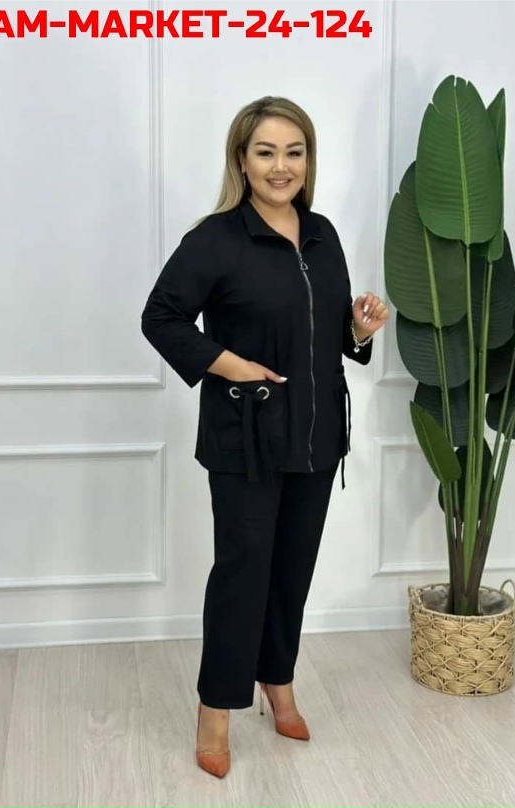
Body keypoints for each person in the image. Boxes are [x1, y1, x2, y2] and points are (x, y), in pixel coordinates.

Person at [140, 95, 389, 778]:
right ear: (242, 161)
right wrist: (230, 364)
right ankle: (217, 707)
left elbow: (326, 333)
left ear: (308, 160)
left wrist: (359, 330)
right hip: (244, 436)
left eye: (294, 152)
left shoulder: (323, 234)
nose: (282, 166)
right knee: (242, 573)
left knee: (292, 570)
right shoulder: (216, 239)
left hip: (316, 436)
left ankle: (277, 681)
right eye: (266, 152)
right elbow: (161, 317)